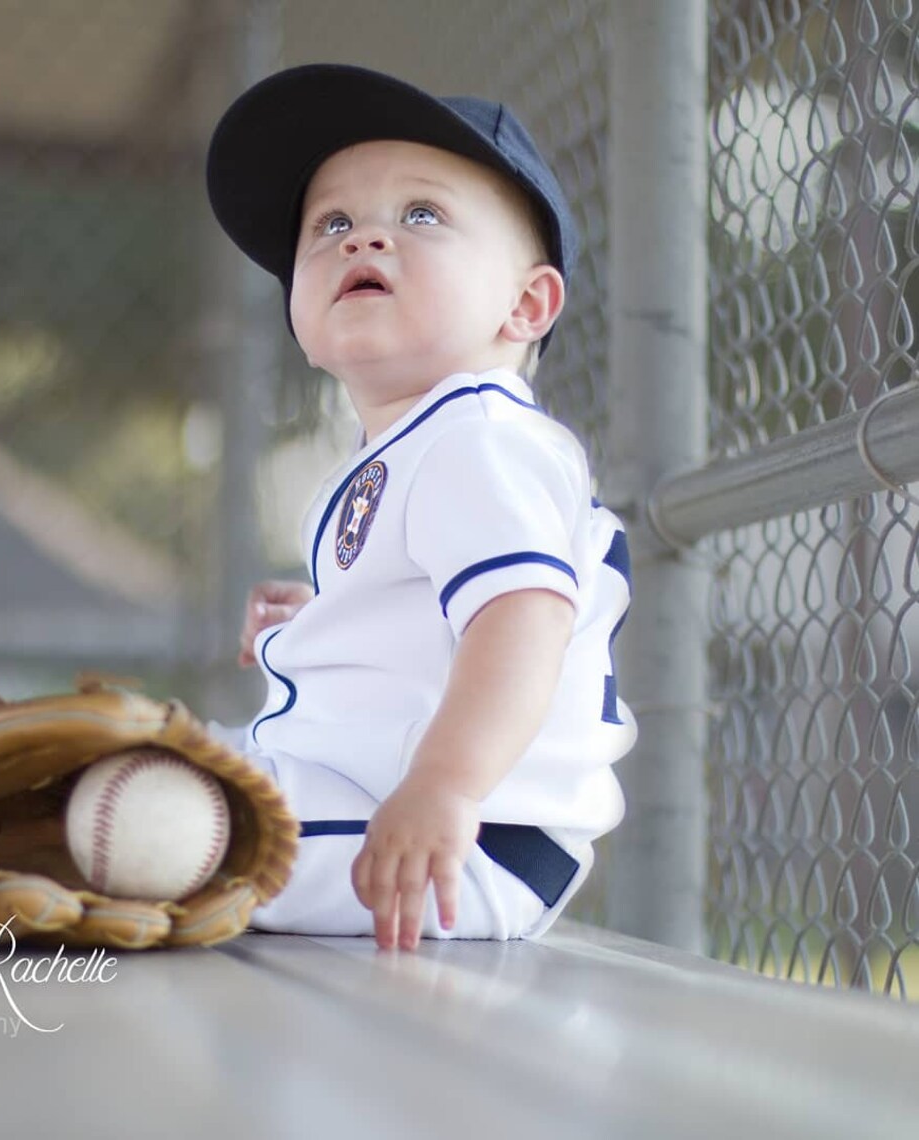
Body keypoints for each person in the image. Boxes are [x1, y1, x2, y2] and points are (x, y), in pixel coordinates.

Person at [206, 64, 636, 951]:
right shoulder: (421, 446)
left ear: (526, 304)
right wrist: (337, 617)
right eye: (331, 224)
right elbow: (439, 621)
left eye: (422, 215)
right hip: (375, 800)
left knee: (146, 809)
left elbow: (524, 618)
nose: (364, 241)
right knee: (137, 762)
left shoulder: (480, 434)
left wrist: (445, 788)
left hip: (460, 839)